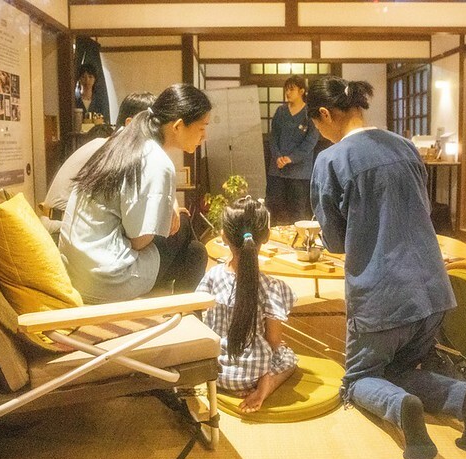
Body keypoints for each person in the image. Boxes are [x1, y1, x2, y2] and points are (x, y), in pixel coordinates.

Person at [307, 76, 466, 459]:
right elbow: (423, 209)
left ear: (325, 114)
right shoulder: (405, 146)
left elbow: (336, 241)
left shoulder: (332, 160)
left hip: (382, 298)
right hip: (432, 293)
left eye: (316, 124)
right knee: (398, 371)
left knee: (359, 378)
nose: (319, 133)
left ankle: (401, 409)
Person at [59, 83, 211, 304]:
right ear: (178, 126)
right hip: (109, 278)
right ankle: (181, 313)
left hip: (78, 274)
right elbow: (139, 241)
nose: (204, 136)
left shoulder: (123, 143)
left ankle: (179, 312)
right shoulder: (155, 160)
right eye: (202, 128)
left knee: (195, 252)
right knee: (187, 232)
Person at [196, 196, 298, 413]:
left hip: (213, 371)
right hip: (252, 374)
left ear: (223, 236)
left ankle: (251, 382)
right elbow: (273, 341)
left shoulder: (212, 276)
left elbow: (197, 314)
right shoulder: (272, 286)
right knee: (289, 357)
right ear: (267, 237)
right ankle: (268, 384)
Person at [40, 93, 157, 237]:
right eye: (153, 127)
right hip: (61, 230)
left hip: (68, 226)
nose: (156, 136)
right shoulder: (110, 152)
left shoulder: (107, 146)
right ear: (130, 124)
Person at [266, 75, 320, 225]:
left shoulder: (309, 113)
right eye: (286, 89)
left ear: (302, 91)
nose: (287, 92)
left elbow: (310, 141)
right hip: (277, 170)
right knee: (274, 209)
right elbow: (273, 137)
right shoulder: (280, 111)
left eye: (291, 89)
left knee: (298, 212)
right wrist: (278, 157)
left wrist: (291, 158)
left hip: (299, 172)